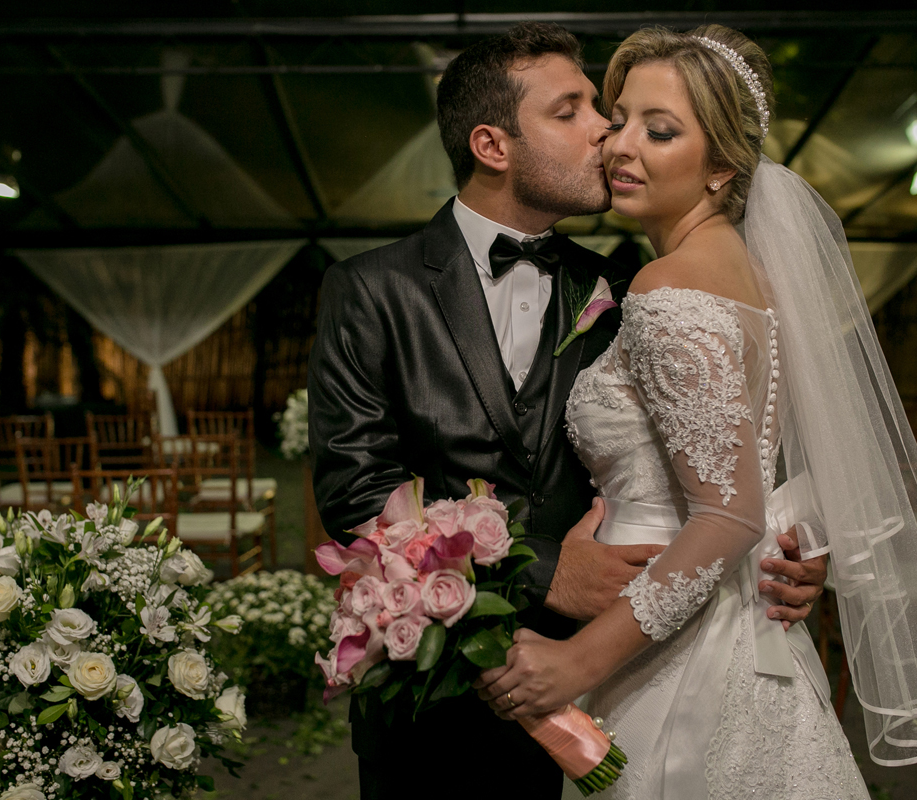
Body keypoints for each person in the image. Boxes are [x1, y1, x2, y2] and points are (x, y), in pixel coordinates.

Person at [308, 23, 826, 800]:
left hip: (609, 675)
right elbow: (355, 493)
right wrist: (547, 572)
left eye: (607, 111)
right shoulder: (371, 291)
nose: (606, 133)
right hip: (437, 700)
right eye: (573, 111)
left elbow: (725, 451)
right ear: (492, 145)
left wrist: (788, 550)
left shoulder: (631, 286)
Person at [475, 24, 917, 799]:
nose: (618, 145)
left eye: (659, 130)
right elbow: (763, 468)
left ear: (721, 170)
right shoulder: (755, 279)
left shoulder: (669, 289)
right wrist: (797, 542)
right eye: (620, 119)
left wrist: (577, 661)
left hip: (676, 656)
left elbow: (729, 515)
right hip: (734, 623)